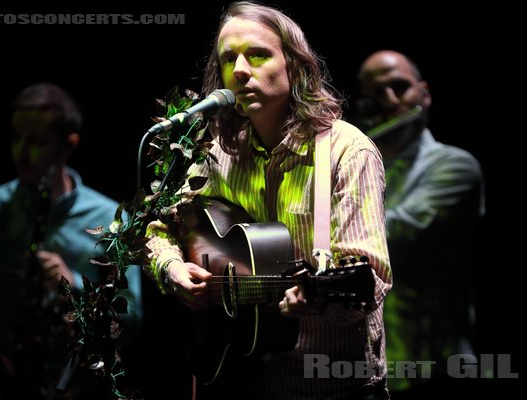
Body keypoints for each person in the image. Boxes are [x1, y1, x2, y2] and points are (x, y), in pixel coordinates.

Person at [144, 2, 392, 399]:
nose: (240, 70)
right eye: (229, 59)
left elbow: (370, 279)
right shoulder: (216, 154)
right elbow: (158, 228)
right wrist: (172, 268)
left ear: (295, 66)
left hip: (332, 385)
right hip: (238, 377)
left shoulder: (347, 152)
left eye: (257, 54)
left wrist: (318, 299)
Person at [0, 83, 143, 398]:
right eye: (16, 139)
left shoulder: (111, 218)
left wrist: (72, 286)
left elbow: (133, 320)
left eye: (36, 142)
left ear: (69, 145)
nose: (21, 154)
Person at [355, 50, 485, 398]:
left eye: (400, 88)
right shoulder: (359, 171)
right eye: (375, 96)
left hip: (437, 371)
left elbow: (392, 237)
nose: (391, 101)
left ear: (424, 94)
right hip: (373, 374)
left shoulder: (455, 167)